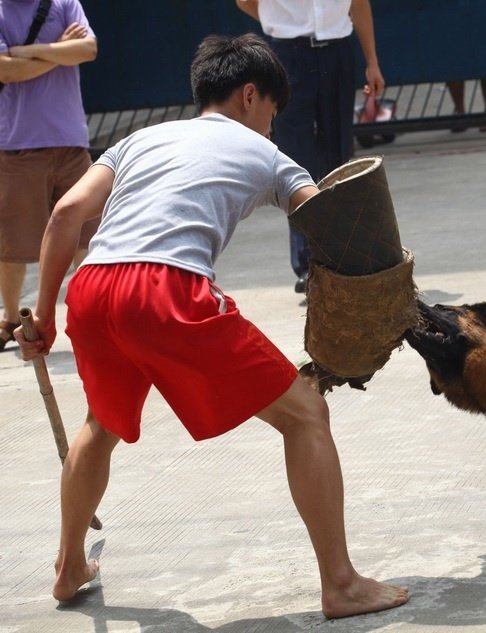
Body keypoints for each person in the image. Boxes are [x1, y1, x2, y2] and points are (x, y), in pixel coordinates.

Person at [14, 33, 409, 617]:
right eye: (272, 113)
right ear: (251, 96)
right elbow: (334, 225)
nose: (271, 128)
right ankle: (342, 583)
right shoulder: (269, 155)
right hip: (166, 288)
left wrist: (44, 314)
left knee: (100, 424)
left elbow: (68, 214)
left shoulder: (138, 139)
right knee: (306, 413)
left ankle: (69, 566)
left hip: (93, 288)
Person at [235, 0, 385, 294]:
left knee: (339, 157)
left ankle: (339, 258)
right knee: (295, 159)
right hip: (288, 54)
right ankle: (308, 263)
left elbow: (359, 3)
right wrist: (278, 21)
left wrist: (372, 61)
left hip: (337, 49)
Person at [0, 0, 98, 352]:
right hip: (17, 145)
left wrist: (26, 51)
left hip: (72, 141)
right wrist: (59, 50)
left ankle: (89, 316)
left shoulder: (66, 3)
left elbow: (87, 49)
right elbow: (5, 71)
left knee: (87, 237)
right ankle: (11, 317)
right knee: (13, 244)